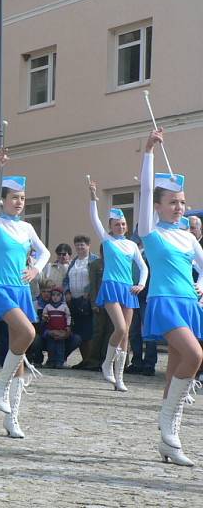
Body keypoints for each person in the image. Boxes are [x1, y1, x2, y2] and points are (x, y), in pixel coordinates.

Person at [138, 129, 203, 466]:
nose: (178, 207)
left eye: (181, 202)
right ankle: (168, 422)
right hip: (165, 303)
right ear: (159, 206)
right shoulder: (150, 232)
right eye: (172, 202)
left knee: (175, 368)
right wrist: (148, 151)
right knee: (195, 355)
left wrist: (202, 284)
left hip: (189, 305)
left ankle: (169, 443)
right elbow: (146, 190)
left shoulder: (188, 239)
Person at [0, 149, 49, 439]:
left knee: (18, 350)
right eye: (14, 198)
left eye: (22, 198)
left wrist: (35, 270)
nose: (19, 202)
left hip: (21, 291)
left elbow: (42, 252)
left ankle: (12, 418)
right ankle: (0, 384)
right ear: (3, 201)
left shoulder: (27, 227)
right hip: (0, 289)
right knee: (28, 333)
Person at [88, 180, 148, 391]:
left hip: (128, 289)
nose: (120, 226)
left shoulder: (132, 245)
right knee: (120, 328)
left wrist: (140, 284)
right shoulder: (107, 240)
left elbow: (143, 268)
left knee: (126, 334)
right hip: (111, 286)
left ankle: (119, 377)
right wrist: (94, 198)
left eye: (123, 224)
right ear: (111, 226)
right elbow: (94, 219)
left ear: (126, 225)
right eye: (116, 224)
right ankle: (107, 363)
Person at [64, 236, 99, 369]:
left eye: (82, 245)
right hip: (74, 301)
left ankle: (90, 360)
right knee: (79, 331)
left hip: (88, 302)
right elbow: (66, 279)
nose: (79, 247)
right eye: (77, 245)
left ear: (88, 245)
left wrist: (88, 290)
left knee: (89, 331)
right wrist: (67, 291)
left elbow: (96, 279)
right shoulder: (73, 262)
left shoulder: (93, 260)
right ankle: (85, 360)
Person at [41, 287, 73, 368]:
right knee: (51, 347)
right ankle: (51, 361)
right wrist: (45, 317)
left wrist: (68, 326)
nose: (55, 297)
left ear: (61, 296)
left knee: (60, 347)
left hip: (61, 331)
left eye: (58, 295)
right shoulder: (48, 306)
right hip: (51, 330)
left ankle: (59, 362)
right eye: (53, 295)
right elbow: (44, 315)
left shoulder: (64, 306)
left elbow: (68, 316)